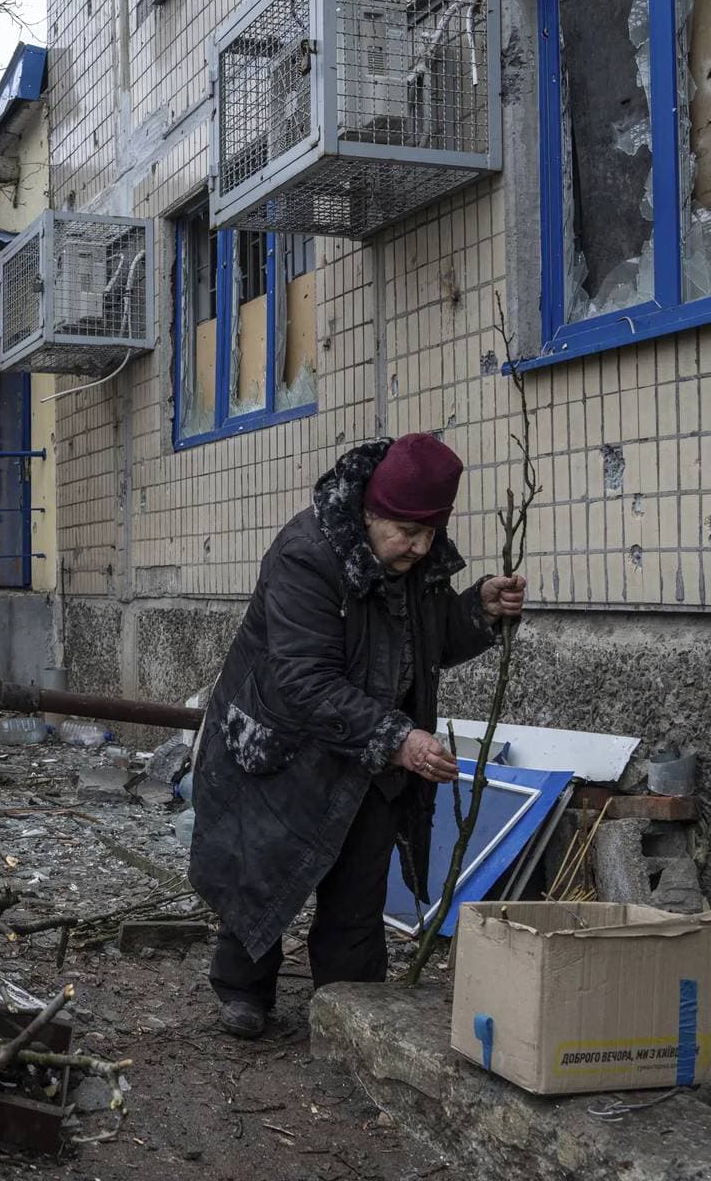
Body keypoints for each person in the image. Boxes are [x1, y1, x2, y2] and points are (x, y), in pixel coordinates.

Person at [186, 434, 527, 1038]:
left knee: (358, 890)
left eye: (429, 535)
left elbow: (426, 641)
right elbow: (303, 677)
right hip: (285, 746)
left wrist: (477, 611)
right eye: (405, 533)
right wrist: (400, 739)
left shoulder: (413, 560)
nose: (419, 549)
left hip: (369, 751)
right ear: (371, 511)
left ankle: (351, 1013)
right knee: (262, 868)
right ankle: (243, 989)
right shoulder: (306, 553)